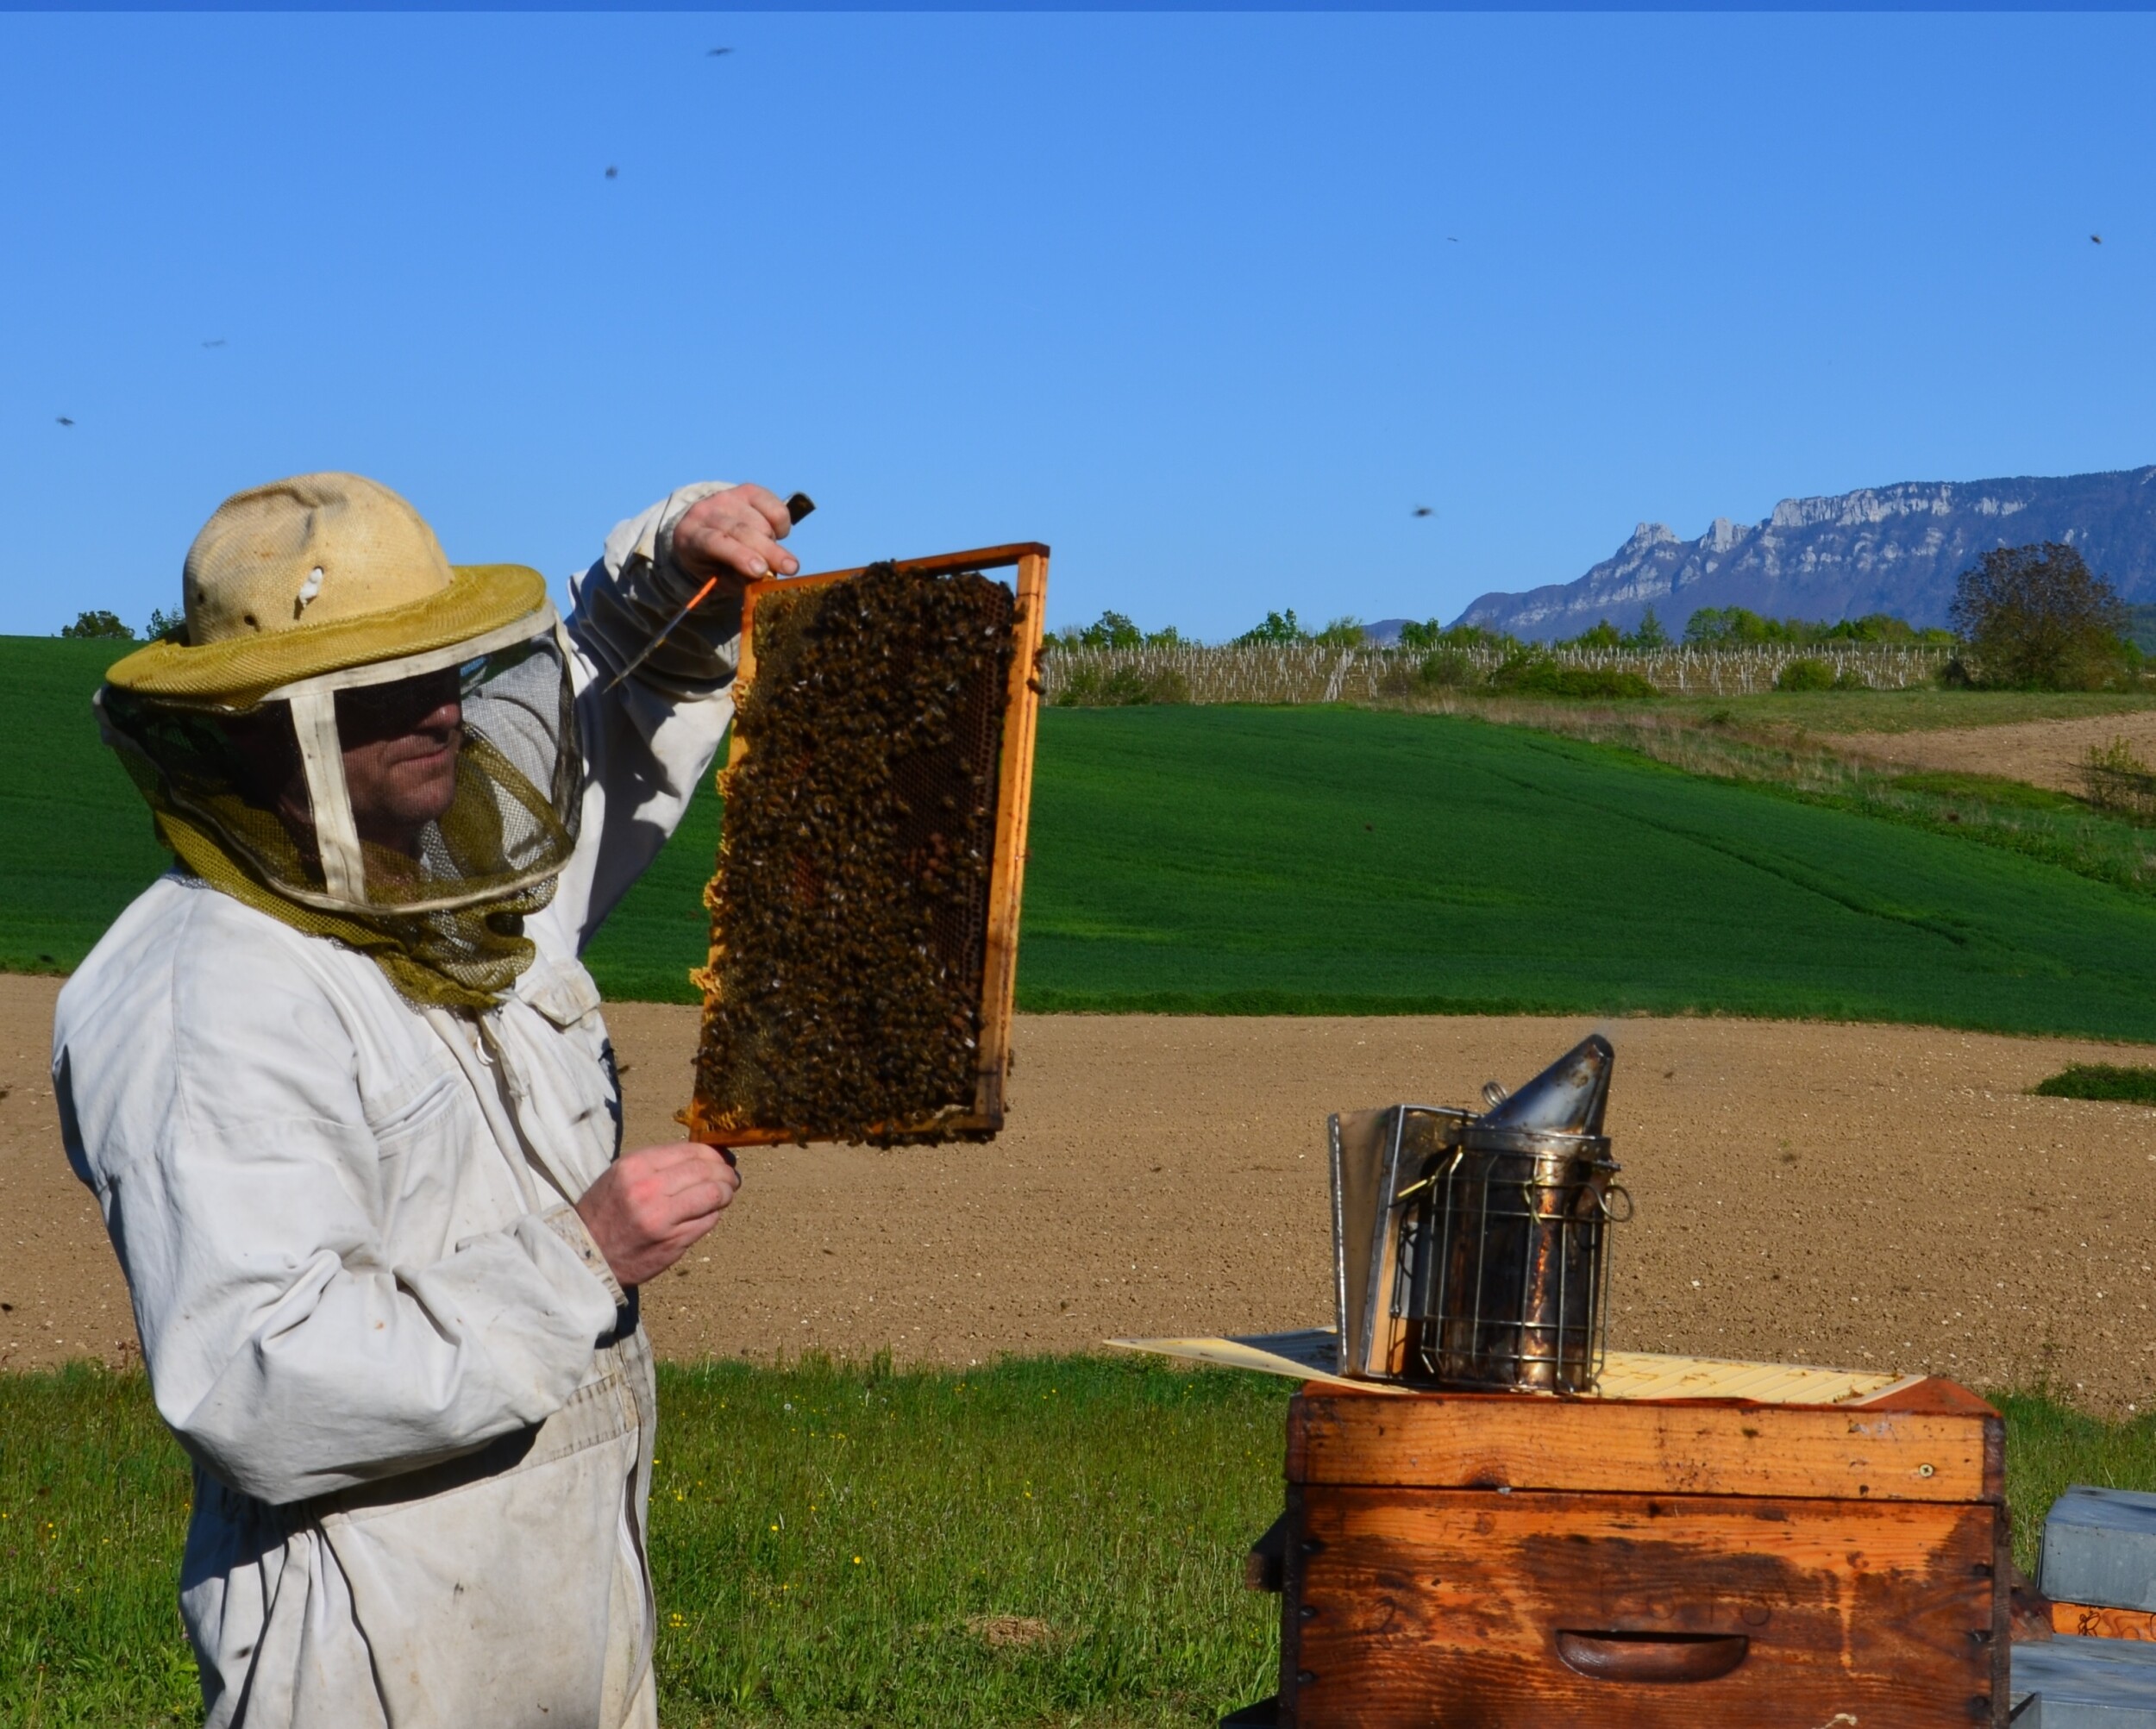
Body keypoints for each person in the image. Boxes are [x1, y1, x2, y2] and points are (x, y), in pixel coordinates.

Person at [52, 472, 804, 1729]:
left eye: (442, 665)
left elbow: (611, 697)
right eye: (381, 686)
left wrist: (674, 569)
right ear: (258, 723)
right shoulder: (202, 991)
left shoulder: (456, 891)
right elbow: (256, 1375)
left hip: (566, 1587)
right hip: (366, 1636)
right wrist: (581, 1258)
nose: (444, 711)